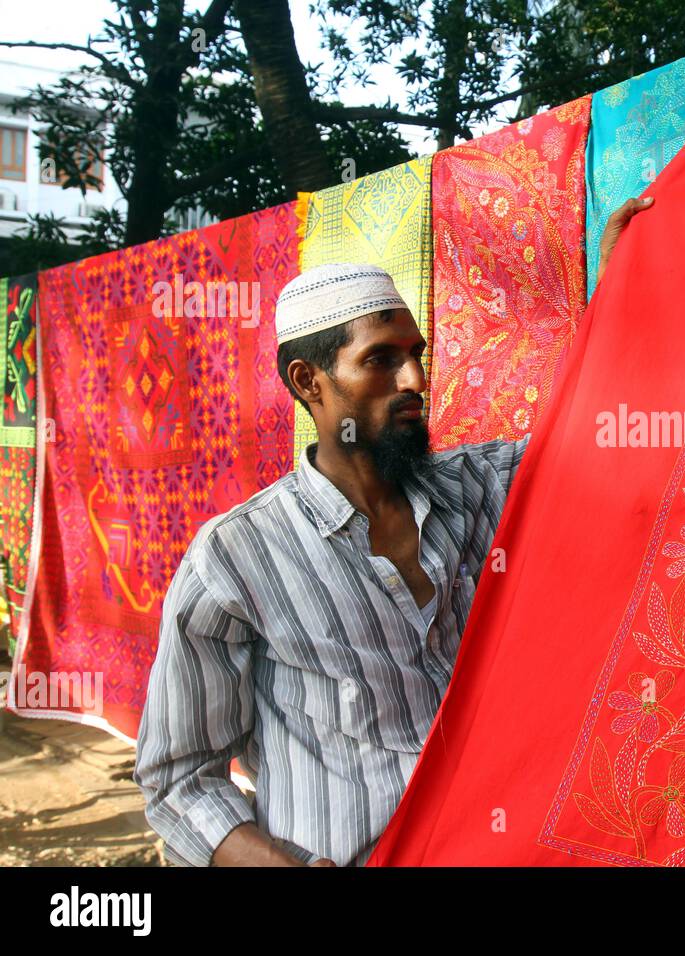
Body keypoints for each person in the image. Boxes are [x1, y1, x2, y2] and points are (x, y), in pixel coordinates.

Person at [134, 196, 653, 866]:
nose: (415, 379)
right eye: (381, 360)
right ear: (309, 381)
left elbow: (598, 433)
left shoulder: (481, 489)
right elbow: (178, 779)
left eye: (417, 354)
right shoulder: (237, 559)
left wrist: (627, 288)